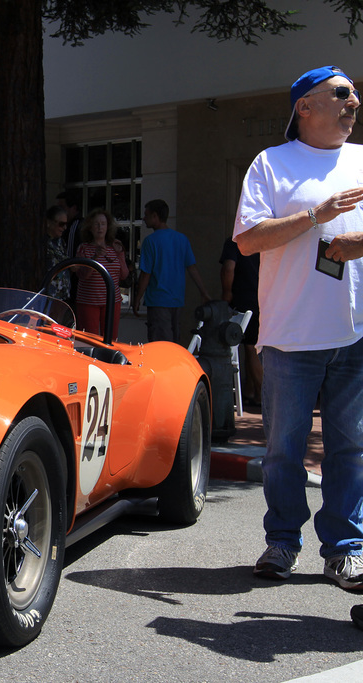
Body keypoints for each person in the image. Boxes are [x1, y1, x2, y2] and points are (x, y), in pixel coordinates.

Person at [234, 65, 363, 589]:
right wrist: (317, 215)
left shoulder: (361, 159)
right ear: (304, 107)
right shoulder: (271, 164)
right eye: (342, 93)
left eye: (355, 93)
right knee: (283, 450)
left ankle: (345, 549)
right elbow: (246, 240)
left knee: (351, 449)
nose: (354, 100)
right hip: (291, 335)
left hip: (354, 333)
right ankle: (282, 543)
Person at [132, 199, 211, 343]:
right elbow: (192, 268)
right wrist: (204, 292)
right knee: (174, 341)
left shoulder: (150, 241)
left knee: (160, 344)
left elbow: (146, 274)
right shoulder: (181, 239)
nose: (144, 218)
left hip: (158, 300)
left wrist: (137, 298)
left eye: (146, 214)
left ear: (155, 216)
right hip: (177, 300)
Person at [220, 238, 262, 406]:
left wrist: (227, 292)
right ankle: (250, 391)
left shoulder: (235, 242)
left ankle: (263, 394)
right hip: (262, 298)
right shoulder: (262, 241)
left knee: (252, 347)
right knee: (249, 345)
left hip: (244, 300)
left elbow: (228, 268)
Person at [74, 209, 128, 339]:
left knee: (111, 338)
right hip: (88, 301)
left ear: (108, 227)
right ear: (90, 227)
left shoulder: (115, 246)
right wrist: (95, 257)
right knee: (89, 339)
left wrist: (120, 254)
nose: (100, 227)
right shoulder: (84, 248)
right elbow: (82, 275)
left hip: (112, 301)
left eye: (103, 224)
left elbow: (124, 275)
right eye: (96, 224)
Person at [44, 206, 71, 301]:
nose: (64, 228)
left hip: (62, 294)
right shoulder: (42, 243)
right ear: (49, 222)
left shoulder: (60, 242)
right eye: (61, 224)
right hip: (48, 294)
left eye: (66, 224)